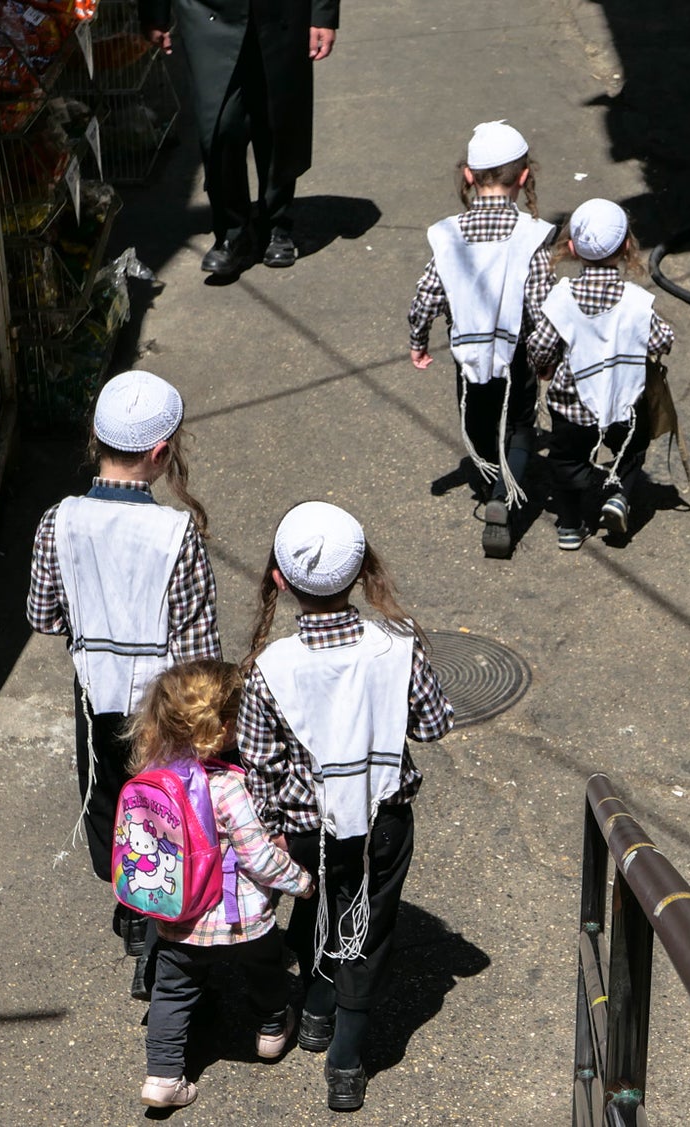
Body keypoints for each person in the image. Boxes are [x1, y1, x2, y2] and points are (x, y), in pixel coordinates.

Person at [237, 502, 454, 1111]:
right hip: (382, 820)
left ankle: (313, 1009)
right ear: (362, 575)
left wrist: (276, 828)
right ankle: (346, 1060)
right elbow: (434, 724)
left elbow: (261, 764)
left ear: (279, 581)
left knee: (328, 908)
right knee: (371, 931)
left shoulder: (268, 669)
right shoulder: (397, 645)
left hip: (308, 829)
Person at [26, 370, 220, 999]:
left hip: (93, 693)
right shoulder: (176, 533)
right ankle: (154, 930)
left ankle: (131, 910)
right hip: (162, 699)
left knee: (109, 800)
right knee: (163, 808)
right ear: (161, 454)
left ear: (98, 438)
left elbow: (42, 615)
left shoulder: (59, 521)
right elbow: (198, 646)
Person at [122, 660, 316, 1110]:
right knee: (266, 969)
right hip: (241, 916)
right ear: (225, 728)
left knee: (172, 990)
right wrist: (302, 882)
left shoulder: (152, 775)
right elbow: (259, 857)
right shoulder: (229, 786)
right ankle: (270, 1030)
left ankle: (163, 1076)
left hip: (177, 912)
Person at [407, 121, 556, 558]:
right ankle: (502, 499)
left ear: (469, 176)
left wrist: (419, 338)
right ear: (524, 177)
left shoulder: (449, 235)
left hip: (468, 354)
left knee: (478, 420)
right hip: (518, 355)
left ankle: (491, 480)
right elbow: (543, 307)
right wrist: (546, 357)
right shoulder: (531, 236)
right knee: (521, 425)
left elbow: (426, 295)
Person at [139, 0, 339, 275]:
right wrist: (155, 14)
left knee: (277, 114)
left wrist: (323, 14)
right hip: (206, 14)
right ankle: (232, 231)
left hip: (281, 14)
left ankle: (276, 222)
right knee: (219, 125)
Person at [527, 198, 677, 551]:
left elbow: (541, 346)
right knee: (631, 449)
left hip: (572, 404)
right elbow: (661, 339)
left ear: (573, 249)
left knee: (567, 462)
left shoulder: (561, 298)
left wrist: (545, 366)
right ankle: (618, 497)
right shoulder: (636, 300)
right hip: (624, 400)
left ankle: (569, 525)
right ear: (627, 247)